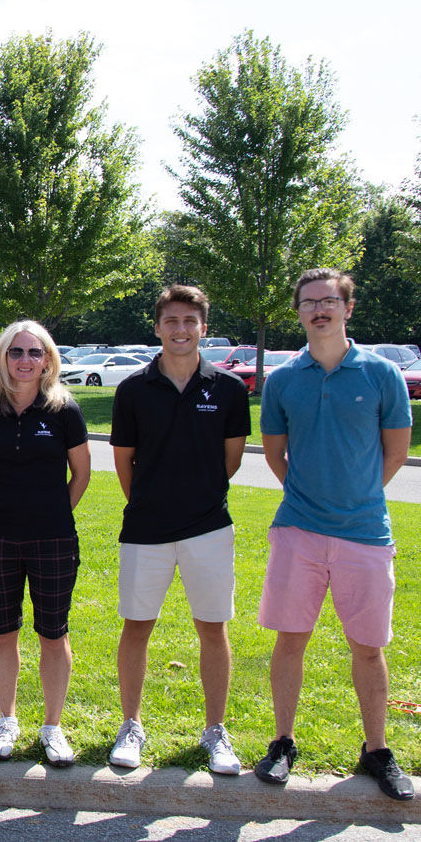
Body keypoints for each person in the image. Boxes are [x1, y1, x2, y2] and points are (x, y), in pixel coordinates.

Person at [254, 268, 413, 801]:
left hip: (365, 534)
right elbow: (275, 454)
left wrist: (356, 496)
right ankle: (282, 742)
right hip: (298, 530)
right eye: (308, 302)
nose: (319, 310)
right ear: (297, 311)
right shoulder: (283, 380)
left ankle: (376, 749)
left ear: (347, 308)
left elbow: (395, 453)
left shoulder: (382, 375)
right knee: (290, 640)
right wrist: (310, 496)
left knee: (368, 648)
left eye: (329, 301)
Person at [108, 285, 250, 773]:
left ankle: (215, 731)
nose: (181, 330)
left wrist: (194, 496)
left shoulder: (229, 389)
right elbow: (124, 462)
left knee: (213, 628)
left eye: (190, 321)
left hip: (209, 527)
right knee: (136, 627)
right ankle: (131, 725)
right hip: (145, 529)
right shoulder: (132, 389)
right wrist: (152, 501)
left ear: (203, 328)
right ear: (157, 327)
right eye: (171, 321)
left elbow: (230, 462)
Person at [0, 321, 89, 765]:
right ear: (3, 358)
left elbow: (81, 474)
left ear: (47, 360)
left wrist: (55, 512)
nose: (25, 361)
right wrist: (8, 510)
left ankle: (53, 728)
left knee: (52, 634)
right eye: (15, 352)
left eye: (34, 353)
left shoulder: (65, 411)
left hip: (54, 539)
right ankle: (7, 721)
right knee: (3, 633)